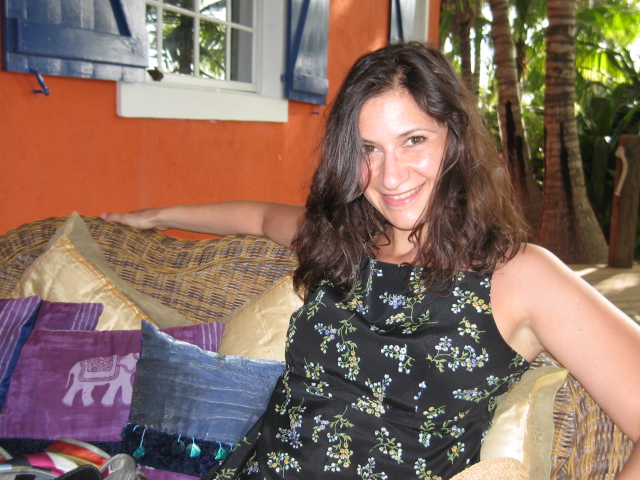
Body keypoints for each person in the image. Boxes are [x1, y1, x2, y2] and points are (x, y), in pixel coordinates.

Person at [103, 42, 640, 480]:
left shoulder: (518, 276)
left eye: (413, 140)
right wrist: (156, 215)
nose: (390, 175)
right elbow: (263, 217)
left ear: (454, 140)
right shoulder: (346, 241)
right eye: (368, 149)